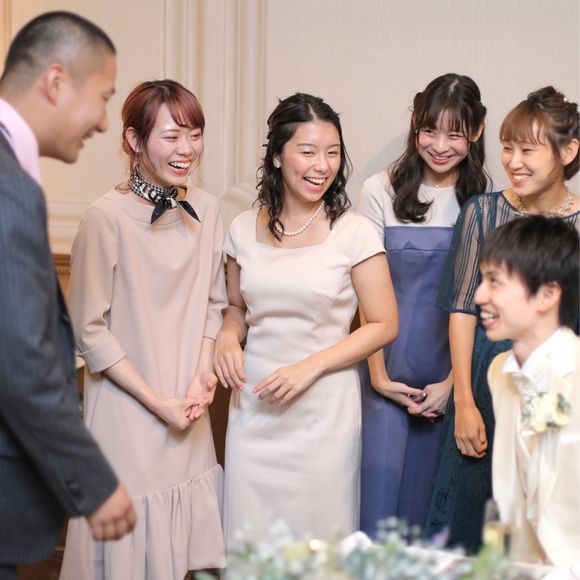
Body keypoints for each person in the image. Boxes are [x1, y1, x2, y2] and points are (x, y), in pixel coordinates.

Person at [60, 80, 226, 580]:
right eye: (171, 137)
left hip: (189, 409)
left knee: (181, 560)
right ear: (134, 139)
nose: (186, 150)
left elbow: (214, 303)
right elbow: (89, 331)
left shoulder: (207, 209)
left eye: (194, 135)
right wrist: (158, 403)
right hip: (128, 413)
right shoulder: (104, 219)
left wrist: (202, 375)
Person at [214, 93, 398, 546]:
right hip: (254, 406)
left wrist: (309, 367)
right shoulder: (242, 228)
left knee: (317, 547)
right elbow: (237, 309)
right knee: (251, 544)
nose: (322, 165)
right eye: (308, 151)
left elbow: (383, 324)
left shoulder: (354, 232)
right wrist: (227, 338)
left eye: (332, 152)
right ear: (277, 155)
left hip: (323, 412)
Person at [0, 11, 135, 579]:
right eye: (102, 98)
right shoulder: (8, 186)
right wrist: (94, 484)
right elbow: (20, 358)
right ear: (56, 81)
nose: (104, 121)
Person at [424, 86, 580, 553]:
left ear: (568, 151)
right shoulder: (483, 211)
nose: (513, 161)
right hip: (485, 382)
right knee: (470, 525)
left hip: (559, 386)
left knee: (544, 516)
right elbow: (462, 309)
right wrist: (464, 402)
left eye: (528, 150)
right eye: (508, 148)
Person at [358, 73, 489, 535]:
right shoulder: (378, 190)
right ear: (415, 123)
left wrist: (454, 384)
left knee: (436, 521)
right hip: (383, 373)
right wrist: (379, 378)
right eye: (430, 130)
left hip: (453, 382)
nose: (440, 146)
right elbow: (365, 293)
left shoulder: (483, 202)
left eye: (455, 134)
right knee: (377, 512)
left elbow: (483, 305)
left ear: (476, 131)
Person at [475, 215, 579, 566]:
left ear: (547, 294)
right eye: (481, 280)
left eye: (494, 281)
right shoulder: (499, 373)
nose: (479, 295)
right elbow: (511, 492)